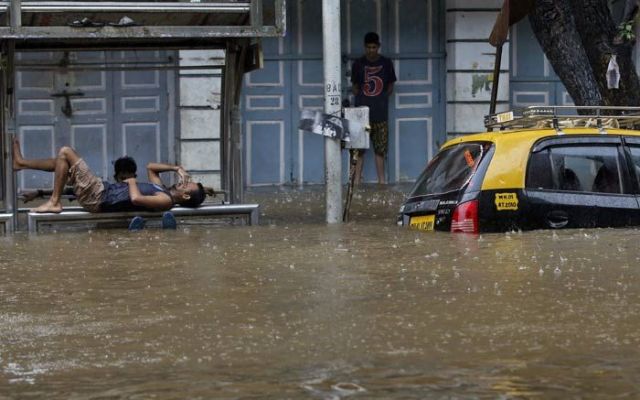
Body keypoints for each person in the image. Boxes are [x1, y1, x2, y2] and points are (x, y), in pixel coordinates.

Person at [12, 136, 207, 215]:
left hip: (99, 197)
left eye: (187, 185)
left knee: (66, 151)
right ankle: (21, 163)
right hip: (100, 190)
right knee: (62, 164)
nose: (184, 182)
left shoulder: (166, 200)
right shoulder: (161, 189)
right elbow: (151, 167)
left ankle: (54, 202)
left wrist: (131, 181)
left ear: (186, 196)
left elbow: (137, 199)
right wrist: (177, 168)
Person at [350, 31, 397, 184]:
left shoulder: (386, 63)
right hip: (361, 115)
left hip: (380, 114)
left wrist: (380, 98)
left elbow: (390, 87)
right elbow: (355, 87)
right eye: (369, 47)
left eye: (374, 47)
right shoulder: (358, 64)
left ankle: (381, 183)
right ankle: (356, 182)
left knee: (380, 151)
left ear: (378, 47)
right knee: (359, 150)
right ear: (365, 47)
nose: (371, 50)